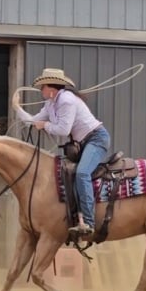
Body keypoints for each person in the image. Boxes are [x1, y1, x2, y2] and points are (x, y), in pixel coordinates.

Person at [12, 67, 111, 237]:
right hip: (83, 143)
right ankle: (75, 217)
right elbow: (32, 121)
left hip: (96, 139)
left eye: (43, 86)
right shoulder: (50, 103)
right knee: (66, 173)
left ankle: (88, 222)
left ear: (52, 87)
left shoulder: (66, 100)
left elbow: (64, 130)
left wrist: (45, 125)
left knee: (81, 173)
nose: (41, 89)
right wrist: (17, 108)